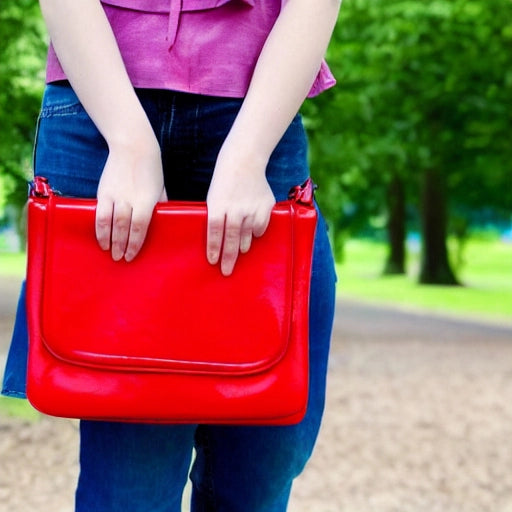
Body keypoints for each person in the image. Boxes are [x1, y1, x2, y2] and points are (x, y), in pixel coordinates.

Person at [2, 0, 340, 510]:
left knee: (260, 468)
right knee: (130, 485)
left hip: (261, 102)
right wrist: (130, 142)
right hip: (101, 98)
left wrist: (248, 154)